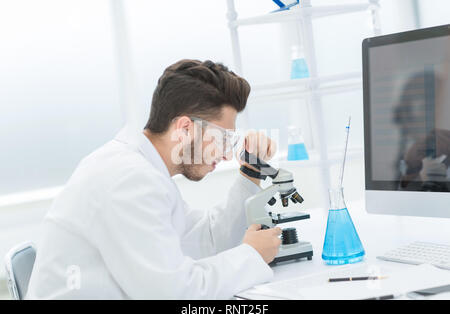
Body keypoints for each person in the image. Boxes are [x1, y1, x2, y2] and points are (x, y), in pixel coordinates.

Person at [26, 59, 282, 299]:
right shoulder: (129, 180)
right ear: (184, 128)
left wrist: (251, 172)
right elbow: (172, 294)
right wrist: (251, 256)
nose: (227, 153)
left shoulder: (144, 169)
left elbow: (206, 239)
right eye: (222, 139)